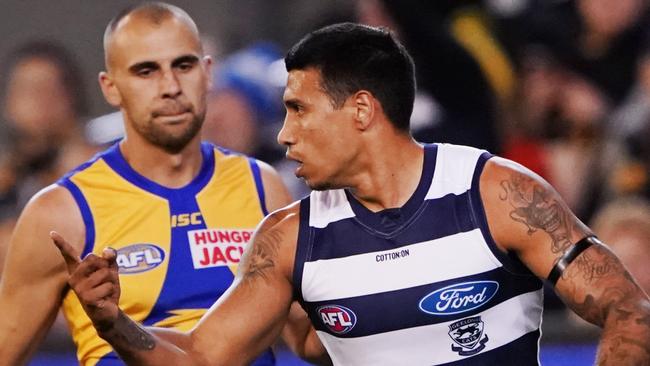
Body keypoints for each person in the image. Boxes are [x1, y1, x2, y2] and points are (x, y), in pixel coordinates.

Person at [54, 22, 650, 365]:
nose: (283, 134)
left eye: (298, 110)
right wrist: (113, 323)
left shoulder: (497, 194)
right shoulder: (289, 240)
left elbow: (628, 310)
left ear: (361, 110)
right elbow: (199, 359)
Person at [0, 3, 316, 365]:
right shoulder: (60, 212)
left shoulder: (263, 187)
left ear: (208, 72)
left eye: (183, 65)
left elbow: (305, 338)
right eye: (146, 71)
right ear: (111, 88)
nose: (170, 87)